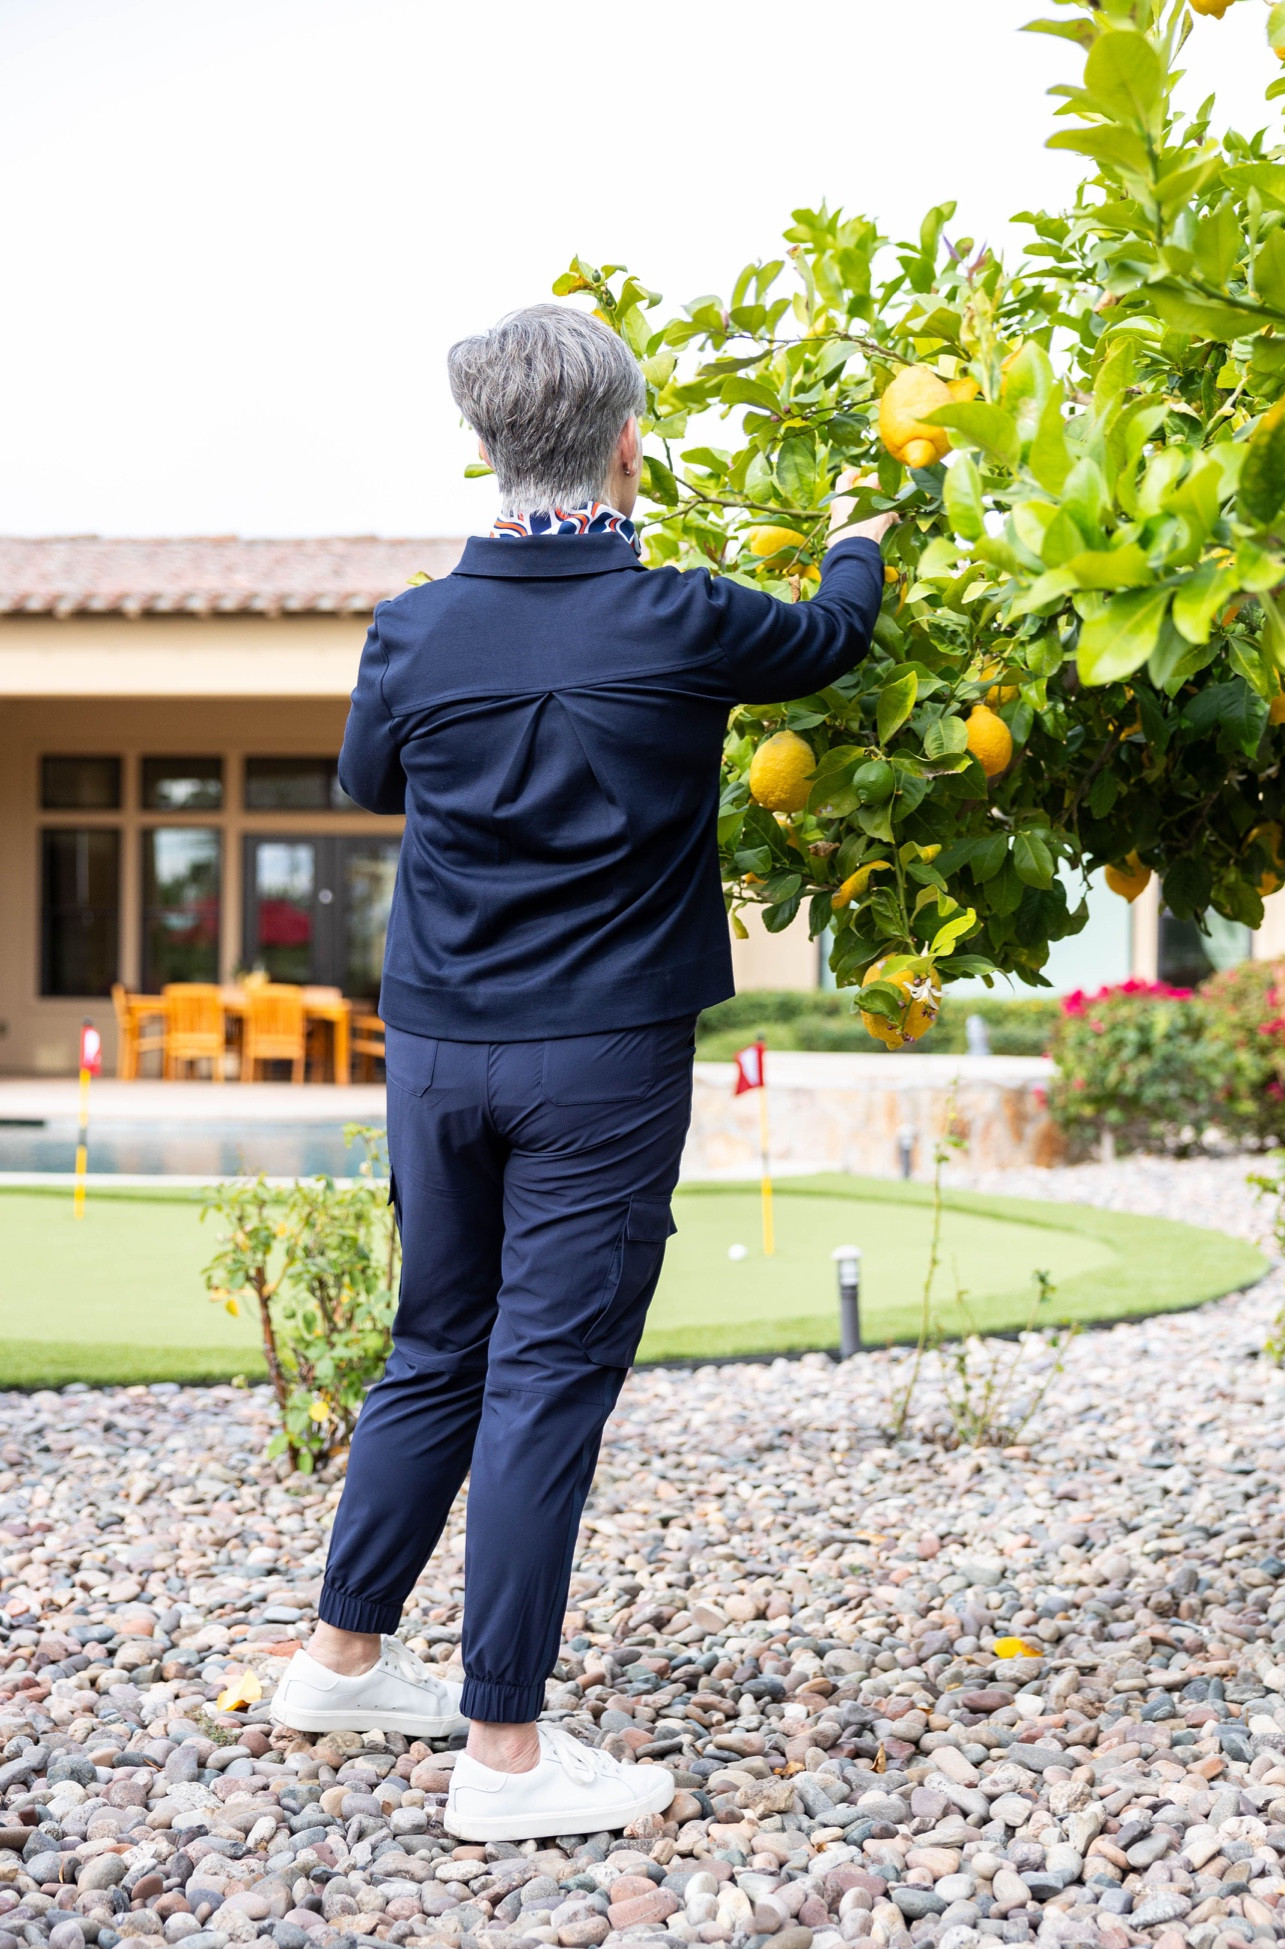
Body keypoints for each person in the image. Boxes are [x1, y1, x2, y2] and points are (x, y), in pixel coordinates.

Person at [269, 302, 894, 1841]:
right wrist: (857, 538)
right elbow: (832, 638)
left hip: (436, 1051)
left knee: (437, 1345)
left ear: (490, 450)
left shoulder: (412, 628)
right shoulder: (684, 618)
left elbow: (367, 778)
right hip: (599, 1061)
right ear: (628, 448)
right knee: (545, 1377)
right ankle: (504, 1756)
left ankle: (343, 1659)